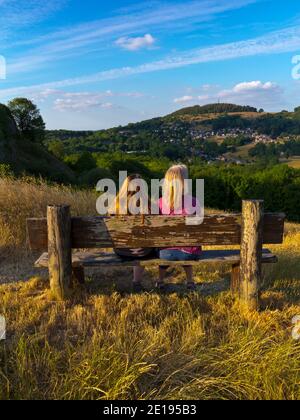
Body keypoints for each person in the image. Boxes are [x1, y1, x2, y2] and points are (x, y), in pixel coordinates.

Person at [158, 164, 202, 291]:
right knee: (187, 246)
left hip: (165, 253)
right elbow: (200, 226)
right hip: (189, 253)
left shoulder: (160, 203)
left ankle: (160, 280)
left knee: (166, 248)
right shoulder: (193, 201)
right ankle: (190, 281)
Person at [109, 174, 155, 292]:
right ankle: (136, 282)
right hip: (142, 251)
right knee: (146, 246)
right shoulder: (149, 206)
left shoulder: (115, 205)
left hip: (121, 249)